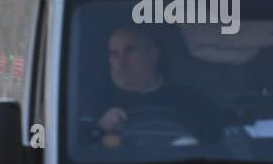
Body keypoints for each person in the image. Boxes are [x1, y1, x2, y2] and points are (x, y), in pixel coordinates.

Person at [92, 25, 220, 143]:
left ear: (153, 54)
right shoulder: (96, 104)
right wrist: (100, 129)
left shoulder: (192, 101)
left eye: (130, 51)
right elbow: (83, 149)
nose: (122, 62)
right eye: (114, 54)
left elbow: (219, 149)